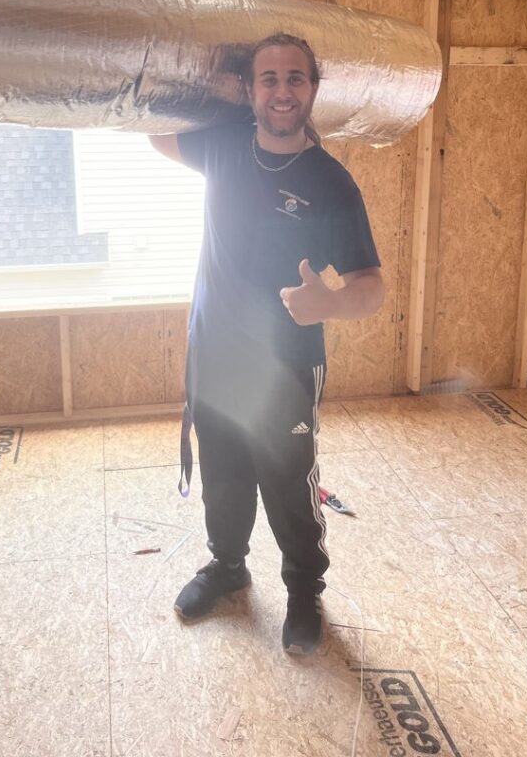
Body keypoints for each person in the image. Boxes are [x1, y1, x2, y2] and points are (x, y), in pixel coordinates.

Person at [149, 32, 384, 655]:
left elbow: (371, 287)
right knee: (223, 471)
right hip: (215, 352)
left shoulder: (331, 183)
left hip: (286, 364)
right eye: (269, 79)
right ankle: (228, 567)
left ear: (313, 89)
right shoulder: (223, 145)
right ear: (249, 91)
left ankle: (304, 591)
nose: (282, 91)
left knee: (287, 480)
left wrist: (330, 303)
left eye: (294, 78)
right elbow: (155, 133)